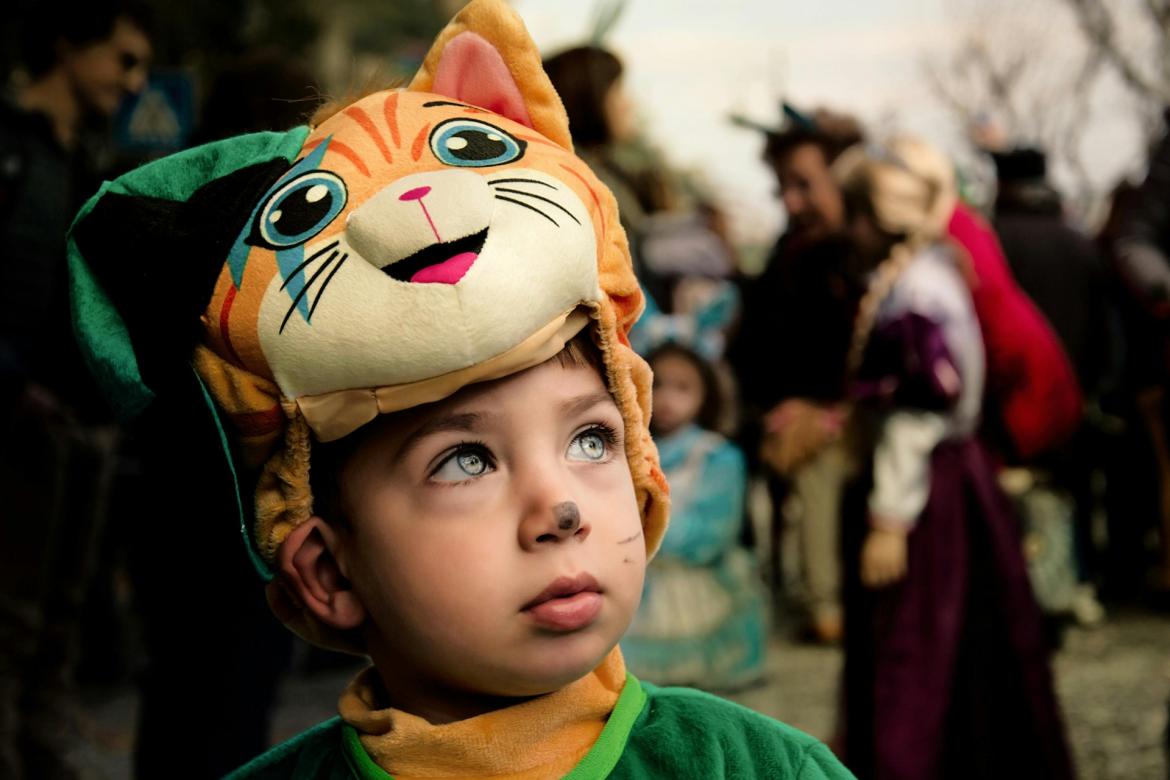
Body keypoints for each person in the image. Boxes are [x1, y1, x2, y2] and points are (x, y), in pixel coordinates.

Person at [65, 1, 854, 777]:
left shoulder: (757, 766)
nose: (561, 510)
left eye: (591, 439)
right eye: (467, 460)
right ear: (331, 574)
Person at [833, 138, 1074, 780]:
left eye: (852, 214)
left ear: (873, 218)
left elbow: (918, 414)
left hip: (927, 495)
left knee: (916, 649)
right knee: (966, 643)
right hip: (951, 485)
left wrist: (890, 518)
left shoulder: (917, 292)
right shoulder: (931, 276)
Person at [0, 3, 151, 778]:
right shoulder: (12, 148)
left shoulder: (89, 157)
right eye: (122, 61)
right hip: (19, 421)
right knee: (11, 611)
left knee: (63, 607)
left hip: (82, 423)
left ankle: (41, 747)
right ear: (66, 43)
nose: (136, 81)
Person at [726, 103, 864, 644]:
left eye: (804, 185)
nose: (791, 202)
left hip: (842, 415)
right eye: (783, 188)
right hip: (783, 409)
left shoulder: (858, 256)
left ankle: (825, 599)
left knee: (819, 465)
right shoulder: (793, 250)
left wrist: (828, 408)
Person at [622, 342, 767, 690]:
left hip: (695, 590)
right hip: (635, 586)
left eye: (683, 387)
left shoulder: (717, 457)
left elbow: (713, 536)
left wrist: (643, 526)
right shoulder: (623, 450)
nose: (668, 398)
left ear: (706, 394)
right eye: (657, 384)